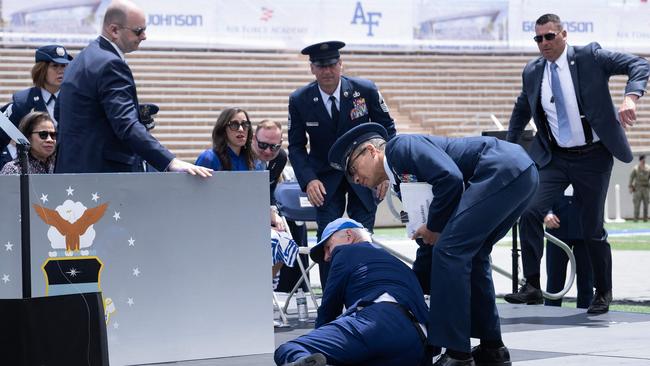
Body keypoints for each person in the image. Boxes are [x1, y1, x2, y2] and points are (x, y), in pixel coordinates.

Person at [329, 123, 539, 366]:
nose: (355, 179)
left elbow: (449, 178)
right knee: (472, 253)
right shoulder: (400, 182)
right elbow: (429, 240)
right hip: (518, 173)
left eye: (353, 168)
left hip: (500, 169)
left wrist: (433, 228)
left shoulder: (400, 148)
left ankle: (458, 354)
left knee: (450, 251)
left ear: (370, 150)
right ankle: (493, 348)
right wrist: (413, 284)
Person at [504, 13, 649, 314]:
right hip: (555, 157)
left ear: (564, 34)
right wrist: (507, 146)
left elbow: (639, 64)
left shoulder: (589, 56)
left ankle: (603, 291)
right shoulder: (533, 72)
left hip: (593, 156)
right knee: (529, 211)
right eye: (538, 38)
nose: (543, 43)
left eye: (549, 36)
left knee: (591, 227)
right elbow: (521, 108)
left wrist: (631, 98)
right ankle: (532, 285)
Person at [54, 0, 210, 177]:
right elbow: (126, 125)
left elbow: (59, 113)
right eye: (138, 31)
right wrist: (169, 161)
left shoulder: (80, 60)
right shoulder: (110, 64)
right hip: (103, 177)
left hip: (70, 171)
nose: (144, 36)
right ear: (114, 30)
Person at [288, 40, 396, 288]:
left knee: (363, 238)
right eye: (320, 66)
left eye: (332, 64)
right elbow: (295, 146)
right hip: (324, 181)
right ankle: (332, 301)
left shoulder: (365, 90)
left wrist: (385, 172)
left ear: (340, 64)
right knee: (329, 240)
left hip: (367, 176)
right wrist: (309, 179)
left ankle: (365, 294)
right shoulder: (300, 100)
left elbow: (388, 131)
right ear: (312, 68)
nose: (327, 71)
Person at [274, 218, 429, 366]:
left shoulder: (346, 252)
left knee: (290, 349)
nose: (327, 257)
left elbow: (328, 310)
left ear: (349, 235)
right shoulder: (399, 265)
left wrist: (320, 338)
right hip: (417, 339)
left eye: (328, 247)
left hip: (377, 321)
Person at [252, 119, 309, 292]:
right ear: (253, 139)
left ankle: (262, 286)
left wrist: (272, 212)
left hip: (261, 210)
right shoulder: (241, 156)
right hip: (240, 215)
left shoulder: (281, 157)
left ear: (281, 144)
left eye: (274, 147)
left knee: (289, 235)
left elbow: (269, 189)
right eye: (262, 145)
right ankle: (253, 285)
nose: (268, 151)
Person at [0, 44, 72, 152]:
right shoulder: (23, 101)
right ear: (41, 69)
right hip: (33, 167)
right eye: (55, 66)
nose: (61, 71)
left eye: (63, 66)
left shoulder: (74, 99)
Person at [544, 188, 593, 309]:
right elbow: (544, 192)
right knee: (554, 280)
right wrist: (546, 212)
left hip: (584, 229)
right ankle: (550, 313)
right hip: (556, 230)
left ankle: (585, 314)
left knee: (586, 280)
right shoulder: (554, 169)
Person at [195, 107, 263, 171]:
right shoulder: (209, 158)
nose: (241, 129)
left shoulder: (255, 163)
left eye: (244, 124)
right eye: (234, 125)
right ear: (223, 129)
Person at [629, 155, 649, 222]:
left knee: (646, 204)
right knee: (637, 204)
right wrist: (630, 187)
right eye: (642, 160)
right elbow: (631, 178)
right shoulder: (636, 168)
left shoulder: (648, 168)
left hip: (646, 188)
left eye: (644, 160)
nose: (643, 161)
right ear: (640, 160)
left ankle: (645, 219)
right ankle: (635, 219)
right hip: (638, 189)